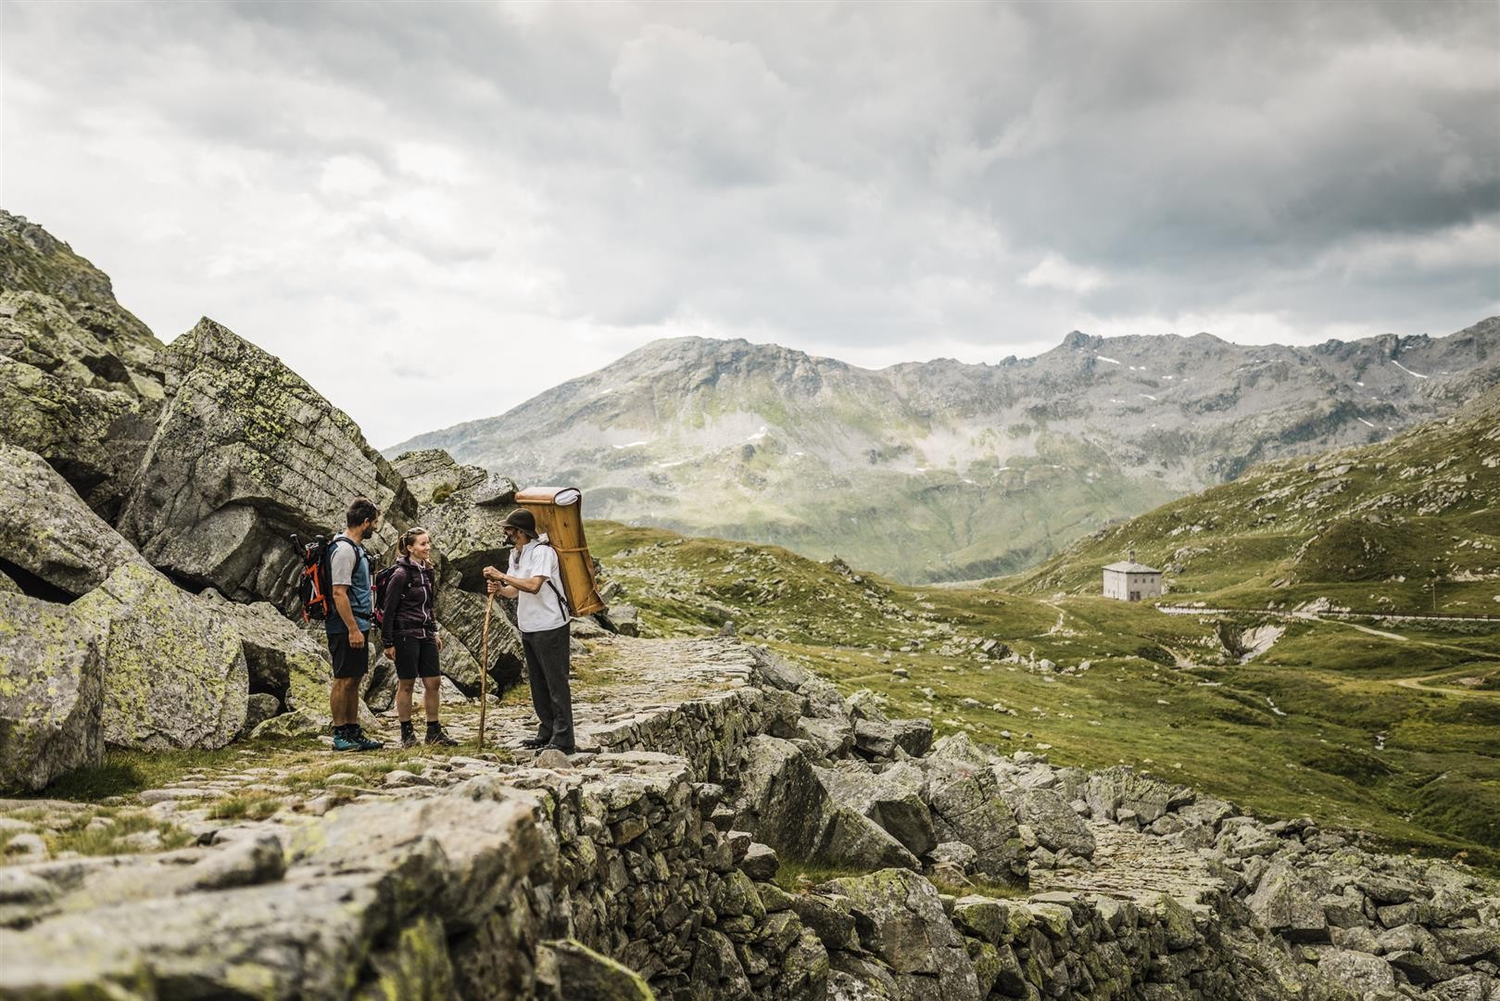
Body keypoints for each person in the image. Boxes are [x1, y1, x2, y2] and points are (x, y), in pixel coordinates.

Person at [483, 509, 573, 754]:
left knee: (555, 681)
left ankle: (564, 738)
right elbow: (515, 590)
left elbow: (533, 586)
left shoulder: (543, 552)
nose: (505, 533)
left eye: (509, 529)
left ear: (521, 532)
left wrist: (501, 576)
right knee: (538, 682)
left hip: (551, 624)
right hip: (529, 625)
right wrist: (501, 588)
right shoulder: (517, 554)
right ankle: (547, 730)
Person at [381, 527, 459, 748]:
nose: (427, 548)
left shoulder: (427, 571)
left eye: (428, 543)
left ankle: (433, 730)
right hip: (405, 634)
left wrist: (434, 631)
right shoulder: (400, 574)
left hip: (425, 633)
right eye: (423, 544)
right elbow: (389, 610)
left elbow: (428, 605)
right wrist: (388, 642)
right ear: (410, 548)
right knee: (406, 683)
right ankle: (407, 733)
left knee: (433, 682)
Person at [327, 497, 384, 752]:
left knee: (354, 679)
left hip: (359, 623)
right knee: (342, 678)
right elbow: (339, 593)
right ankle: (340, 733)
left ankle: (353, 730)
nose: (376, 527)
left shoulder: (355, 548)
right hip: (345, 626)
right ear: (364, 523)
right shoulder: (344, 550)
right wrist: (351, 628)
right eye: (374, 523)